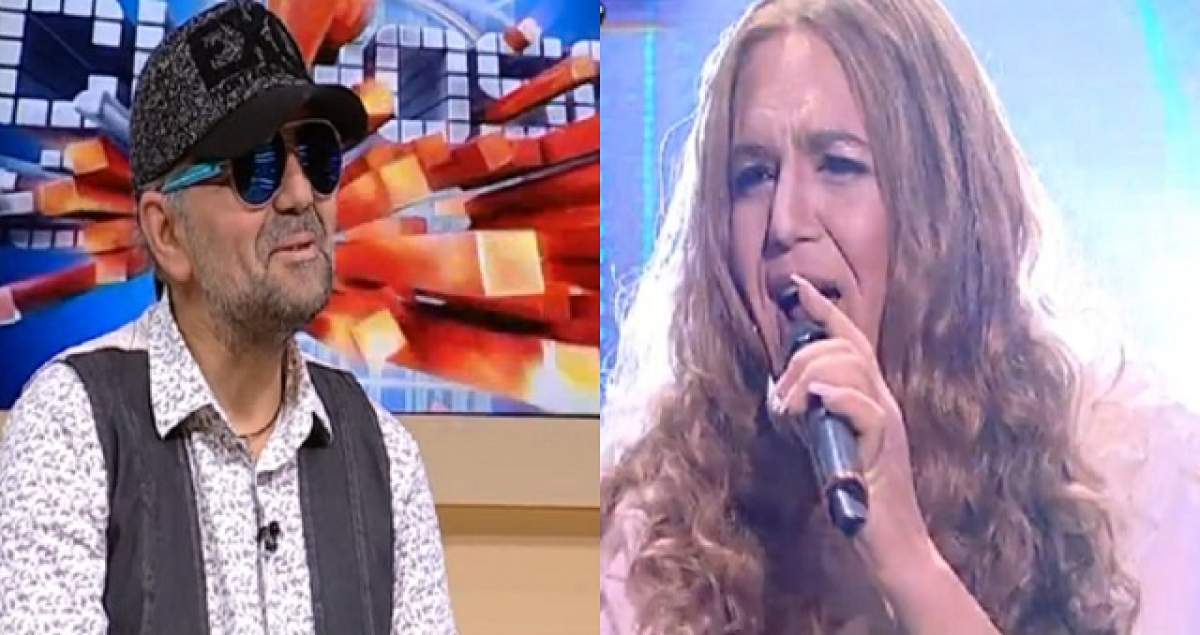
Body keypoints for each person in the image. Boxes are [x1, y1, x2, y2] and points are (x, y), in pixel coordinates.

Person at [599, 0, 1200, 633]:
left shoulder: (1131, 477)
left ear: (942, 204)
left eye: (839, 165)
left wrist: (907, 558)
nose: (785, 222)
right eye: (753, 176)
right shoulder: (651, 532)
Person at [0, 2, 456, 633]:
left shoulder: (384, 455)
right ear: (167, 233)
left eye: (316, 155)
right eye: (256, 167)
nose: (301, 194)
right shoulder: (71, 427)